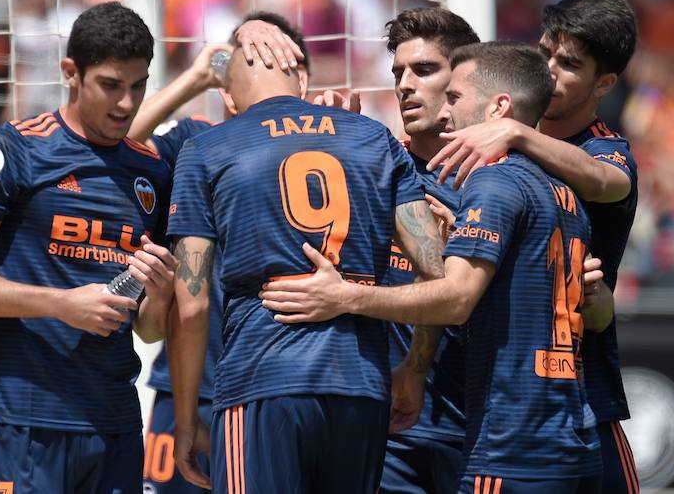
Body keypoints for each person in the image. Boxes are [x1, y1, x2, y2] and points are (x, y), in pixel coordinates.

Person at [260, 41, 613, 493]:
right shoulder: (563, 188)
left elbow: (457, 299)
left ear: (498, 107)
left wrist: (345, 296)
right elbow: (586, 308)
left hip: (514, 444)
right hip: (574, 436)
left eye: (454, 98)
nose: (444, 112)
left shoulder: (493, 180)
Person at [166, 44, 447, 494]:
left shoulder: (208, 148)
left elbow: (192, 305)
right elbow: (437, 273)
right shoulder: (375, 138)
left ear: (230, 100)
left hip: (260, 380)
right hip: (361, 385)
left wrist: (184, 422)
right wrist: (414, 370)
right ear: (302, 84)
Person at [0, 2, 179, 494]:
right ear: (71, 73)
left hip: (115, 424)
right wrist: (61, 305)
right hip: (24, 419)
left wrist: (162, 292)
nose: (127, 103)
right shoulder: (13, 151)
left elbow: (147, 330)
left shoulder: (152, 173)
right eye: (110, 84)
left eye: (138, 85)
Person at [429, 0, 640, 493]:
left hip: (585, 395)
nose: (548, 68)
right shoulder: (485, 142)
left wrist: (515, 134)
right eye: (545, 50)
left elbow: (610, 182)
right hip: (502, 397)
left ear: (604, 83)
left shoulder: (603, 149)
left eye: (569, 64)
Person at [128, 12, 310, 494]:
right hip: (187, 384)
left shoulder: (325, 146)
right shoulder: (194, 139)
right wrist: (194, 78)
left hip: (270, 387)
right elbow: (119, 147)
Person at [378, 7, 478, 494]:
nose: (404, 85)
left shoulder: (500, 182)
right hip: (390, 431)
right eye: (398, 72)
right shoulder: (373, 171)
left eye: (423, 70)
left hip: (482, 428)